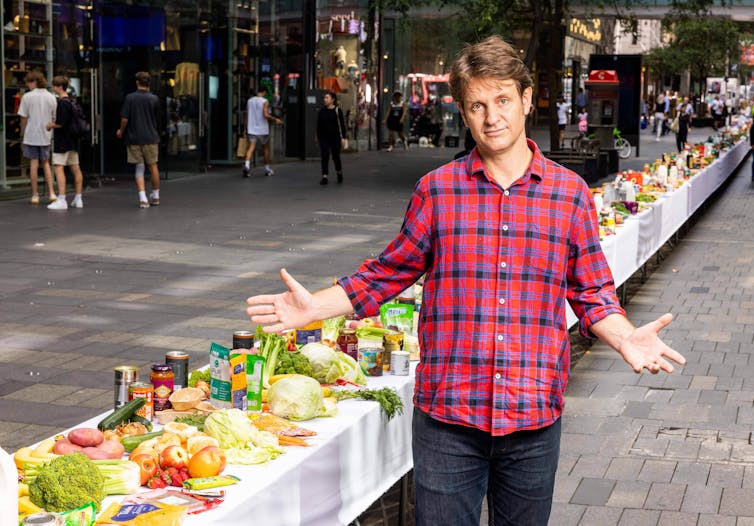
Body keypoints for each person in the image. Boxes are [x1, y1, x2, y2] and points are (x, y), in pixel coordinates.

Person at [246, 36, 685, 526]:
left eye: (501, 100)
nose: (491, 116)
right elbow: (389, 272)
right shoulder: (437, 191)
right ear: (463, 111)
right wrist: (315, 307)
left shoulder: (570, 195)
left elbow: (592, 292)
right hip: (448, 420)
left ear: (524, 98)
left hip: (533, 413)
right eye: (477, 104)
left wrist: (625, 337)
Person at [117, 71, 162, 208]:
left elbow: (124, 119)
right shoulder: (154, 99)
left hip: (134, 137)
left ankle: (143, 198)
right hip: (151, 136)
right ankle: (156, 196)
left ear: (137, 82)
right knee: (153, 165)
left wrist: (121, 131)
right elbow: (158, 119)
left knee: (139, 167)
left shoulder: (130, 98)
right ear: (149, 83)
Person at [18, 70, 57, 205]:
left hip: (31, 135)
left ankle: (35, 195)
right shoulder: (51, 97)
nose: (28, 85)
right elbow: (54, 118)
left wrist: (22, 133)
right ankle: (52, 192)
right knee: (46, 163)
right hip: (45, 135)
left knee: (33, 164)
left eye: (28, 82)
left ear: (34, 81)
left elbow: (23, 118)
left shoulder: (27, 97)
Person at [46, 76, 85, 210]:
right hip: (73, 141)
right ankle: (78, 198)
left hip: (63, 141)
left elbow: (61, 123)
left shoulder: (62, 103)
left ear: (60, 87)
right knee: (75, 168)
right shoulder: (73, 101)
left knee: (58, 167)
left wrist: (50, 125)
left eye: (55, 86)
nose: (53, 88)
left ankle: (62, 199)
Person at [243, 86, 282, 178]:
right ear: (264, 92)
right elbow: (265, 114)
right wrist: (275, 119)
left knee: (251, 148)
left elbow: (246, 115)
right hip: (262, 129)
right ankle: (268, 169)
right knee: (266, 148)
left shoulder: (250, 101)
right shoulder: (264, 101)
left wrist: (245, 127)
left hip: (251, 128)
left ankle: (247, 166)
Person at [316, 90, 347, 185]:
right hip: (324, 137)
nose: (325, 100)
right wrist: (317, 136)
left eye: (327, 98)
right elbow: (318, 125)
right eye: (324, 98)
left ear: (332, 100)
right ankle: (324, 176)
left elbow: (342, 125)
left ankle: (339, 172)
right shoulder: (322, 111)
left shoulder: (338, 110)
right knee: (324, 156)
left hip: (335, 137)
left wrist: (343, 138)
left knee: (335, 156)